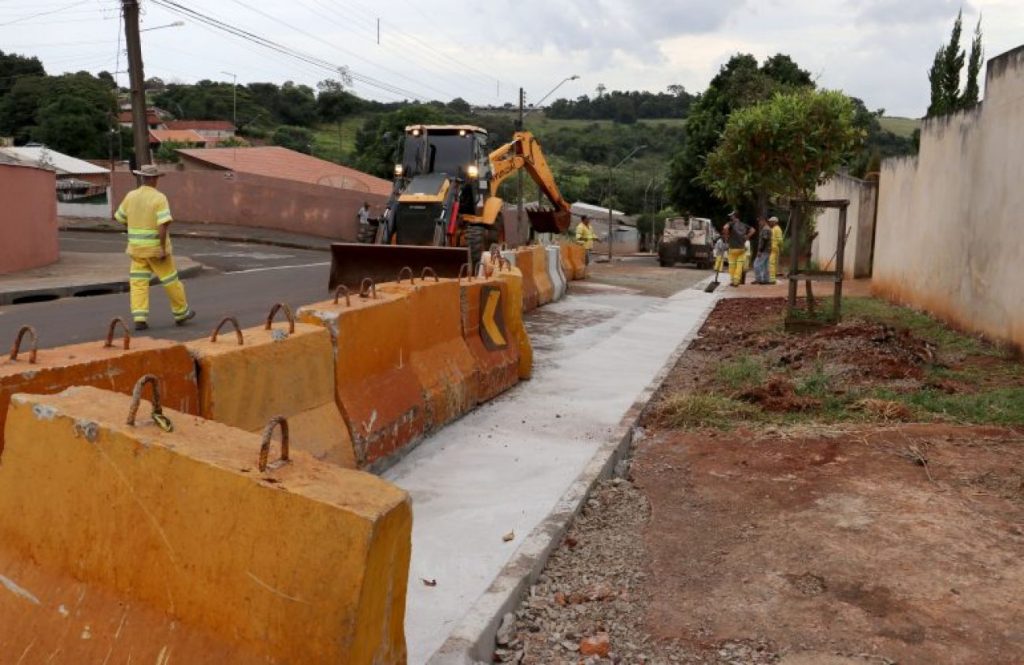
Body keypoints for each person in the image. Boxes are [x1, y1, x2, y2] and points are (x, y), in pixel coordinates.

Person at [114, 164, 195, 330]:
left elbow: (120, 217)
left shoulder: (131, 196)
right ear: (153, 179)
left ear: (142, 178)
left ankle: (139, 318)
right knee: (171, 281)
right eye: (157, 177)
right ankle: (181, 313)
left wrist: (134, 223)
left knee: (138, 284)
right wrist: (162, 248)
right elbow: (163, 225)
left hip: (136, 249)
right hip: (155, 250)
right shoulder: (159, 198)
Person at [722, 211, 755, 287]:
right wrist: (747, 236)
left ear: (734, 217)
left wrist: (726, 237)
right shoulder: (743, 225)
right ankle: (737, 281)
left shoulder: (731, 223)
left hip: (733, 248)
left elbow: (725, 227)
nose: (730, 217)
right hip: (741, 249)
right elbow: (753, 230)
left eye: (731, 216)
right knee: (739, 265)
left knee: (732, 265)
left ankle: (733, 280)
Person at [753, 217, 772, 284]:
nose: (759, 223)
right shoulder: (768, 228)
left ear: (764, 221)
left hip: (764, 250)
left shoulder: (765, 229)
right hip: (767, 250)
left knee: (756, 264)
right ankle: (766, 279)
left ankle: (759, 279)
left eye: (760, 221)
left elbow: (764, 240)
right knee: (765, 265)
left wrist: (760, 251)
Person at [768, 215, 783, 284]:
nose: (770, 223)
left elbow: (780, 240)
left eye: (771, 221)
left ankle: (772, 279)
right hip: (772, 248)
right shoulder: (773, 229)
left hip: (775, 248)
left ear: (774, 222)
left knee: (772, 263)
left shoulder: (777, 229)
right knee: (772, 263)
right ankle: (772, 278)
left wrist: (780, 247)